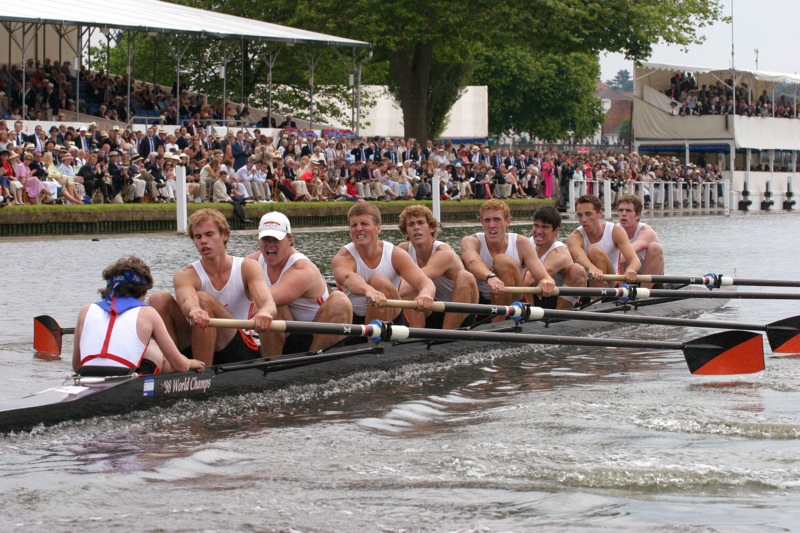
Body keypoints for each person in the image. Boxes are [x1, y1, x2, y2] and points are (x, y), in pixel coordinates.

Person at [149, 208, 277, 366]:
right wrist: (193, 310)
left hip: (238, 349)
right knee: (158, 299)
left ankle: (201, 377)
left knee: (203, 299)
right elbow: (187, 299)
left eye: (209, 234)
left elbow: (269, 304)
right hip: (197, 342)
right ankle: (172, 367)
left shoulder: (247, 267)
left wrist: (264, 312)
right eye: (198, 236)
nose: (203, 241)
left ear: (224, 235)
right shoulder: (186, 275)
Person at [72, 256, 206, 376]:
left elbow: (77, 366)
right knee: (154, 347)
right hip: (126, 378)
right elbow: (181, 366)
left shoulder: (86, 310)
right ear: (143, 291)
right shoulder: (148, 313)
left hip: (86, 375)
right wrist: (189, 363)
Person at [245, 212, 353, 356]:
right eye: (266, 239)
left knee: (340, 300)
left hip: (316, 335)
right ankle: (270, 364)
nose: (270, 244)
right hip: (289, 334)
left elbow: (260, 304)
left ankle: (313, 363)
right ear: (258, 240)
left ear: (290, 240)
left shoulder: (302, 269)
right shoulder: (250, 263)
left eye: (276, 239)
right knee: (273, 308)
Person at [332, 202, 436, 325]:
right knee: (336, 299)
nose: (358, 228)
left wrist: (425, 294)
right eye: (354, 225)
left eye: (364, 224)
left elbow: (425, 282)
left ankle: (377, 342)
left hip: (392, 319)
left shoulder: (395, 254)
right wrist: (369, 290)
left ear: (378, 228)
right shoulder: (343, 257)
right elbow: (348, 278)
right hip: (355, 320)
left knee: (379, 281)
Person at [461, 199, 555, 317]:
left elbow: (544, 277)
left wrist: (546, 282)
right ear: (482, 223)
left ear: (508, 221)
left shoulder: (521, 243)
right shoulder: (470, 241)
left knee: (502, 261)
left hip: (514, 302)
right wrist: (491, 277)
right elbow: (472, 262)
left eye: (497, 219)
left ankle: (498, 323)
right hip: (481, 301)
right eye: (487, 220)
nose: (492, 225)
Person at [397, 205, 478, 329]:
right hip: (430, 309)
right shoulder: (402, 250)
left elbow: (421, 277)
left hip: (459, 311)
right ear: (406, 232)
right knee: (408, 285)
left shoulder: (444, 252)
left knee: (465, 276)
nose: (416, 227)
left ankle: (447, 335)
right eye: (411, 225)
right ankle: (416, 336)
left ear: (431, 228)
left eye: (420, 223)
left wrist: (385, 294)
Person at [566, 194, 641, 287]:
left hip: (612, 283)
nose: (583, 219)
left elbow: (635, 260)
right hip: (586, 283)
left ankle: (596, 300)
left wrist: (631, 270)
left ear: (599, 214)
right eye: (580, 215)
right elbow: (578, 256)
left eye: (588, 214)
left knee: (594, 250)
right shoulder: (574, 237)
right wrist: (592, 268)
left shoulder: (615, 231)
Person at [525, 205, 587, 309]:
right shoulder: (526, 243)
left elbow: (528, 280)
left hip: (554, 298)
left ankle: (559, 317)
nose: (539, 231)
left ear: (556, 230)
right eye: (536, 226)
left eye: (544, 227)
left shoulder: (559, 254)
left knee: (577, 270)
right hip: (535, 293)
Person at [615, 194, 664, 288]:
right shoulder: (614, 230)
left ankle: (643, 293)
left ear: (637, 215)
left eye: (628, 210)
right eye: (621, 210)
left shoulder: (646, 232)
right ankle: (621, 291)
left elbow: (625, 255)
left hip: (650, 280)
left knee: (654, 247)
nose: (623, 214)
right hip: (626, 277)